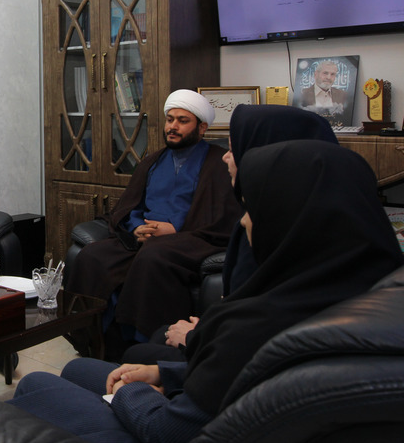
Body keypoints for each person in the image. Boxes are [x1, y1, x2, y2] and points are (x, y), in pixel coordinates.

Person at [0, 141, 403, 443]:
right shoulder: (358, 291)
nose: (243, 221)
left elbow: (171, 432)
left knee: (21, 393)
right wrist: (165, 374)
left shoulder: (258, 318)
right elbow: (243, 375)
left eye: (251, 209)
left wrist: (133, 392)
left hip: (173, 440)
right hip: (206, 409)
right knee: (76, 367)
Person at [122, 104, 338, 365]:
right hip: (233, 341)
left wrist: (194, 339)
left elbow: (268, 330)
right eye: (170, 119)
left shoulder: (287, 229)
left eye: (234, 150)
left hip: (246, 361)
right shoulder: (268, 212)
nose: (225, 157)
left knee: (137, 353)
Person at [65, 90, 241, 357]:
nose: (173, 126)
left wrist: (175, 229)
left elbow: (221, 215)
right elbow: (132, 205)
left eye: (183, 121)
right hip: (144, 237)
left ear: (202, 127)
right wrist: (137, 227)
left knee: (153, 256)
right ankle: (94, 339)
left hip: (192, 238)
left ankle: (141, 346)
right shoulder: (153, 161)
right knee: (91, 256)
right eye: (170, 119)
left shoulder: (218, 162)